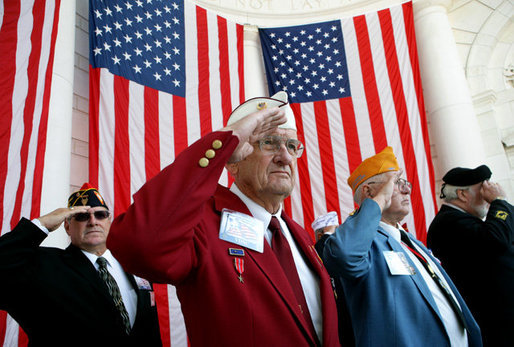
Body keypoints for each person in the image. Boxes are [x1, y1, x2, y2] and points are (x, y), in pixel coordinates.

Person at [106, 92, 340, 346]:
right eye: (269, 143)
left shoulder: (299, 235)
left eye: (292, 146)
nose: (285, 157)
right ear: (233, 162)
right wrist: (228, 139)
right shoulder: (201, 223)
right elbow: (138, 244)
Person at [319, 147, 482, 346]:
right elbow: (344, 256)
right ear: (368, 191)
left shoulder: (410, 241)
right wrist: (378, 200)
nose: (407, 190)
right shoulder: (363, 241)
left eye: (405, 183)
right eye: (396, 183)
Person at [0, 184, 162, 347]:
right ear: (67, 226)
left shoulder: (134, 265)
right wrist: (43, 224)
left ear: (109, 221)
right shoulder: (43, 266)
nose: (93, 222)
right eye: (81, 216)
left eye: (100, 215)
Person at [427, 165, 514, 346]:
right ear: (463, 194)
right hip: (492, 322)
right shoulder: (449, 223)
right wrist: (498, 200)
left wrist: (500, 204)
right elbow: (496, 240)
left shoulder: (463, 219)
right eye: (482, 190)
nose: (486, 197)